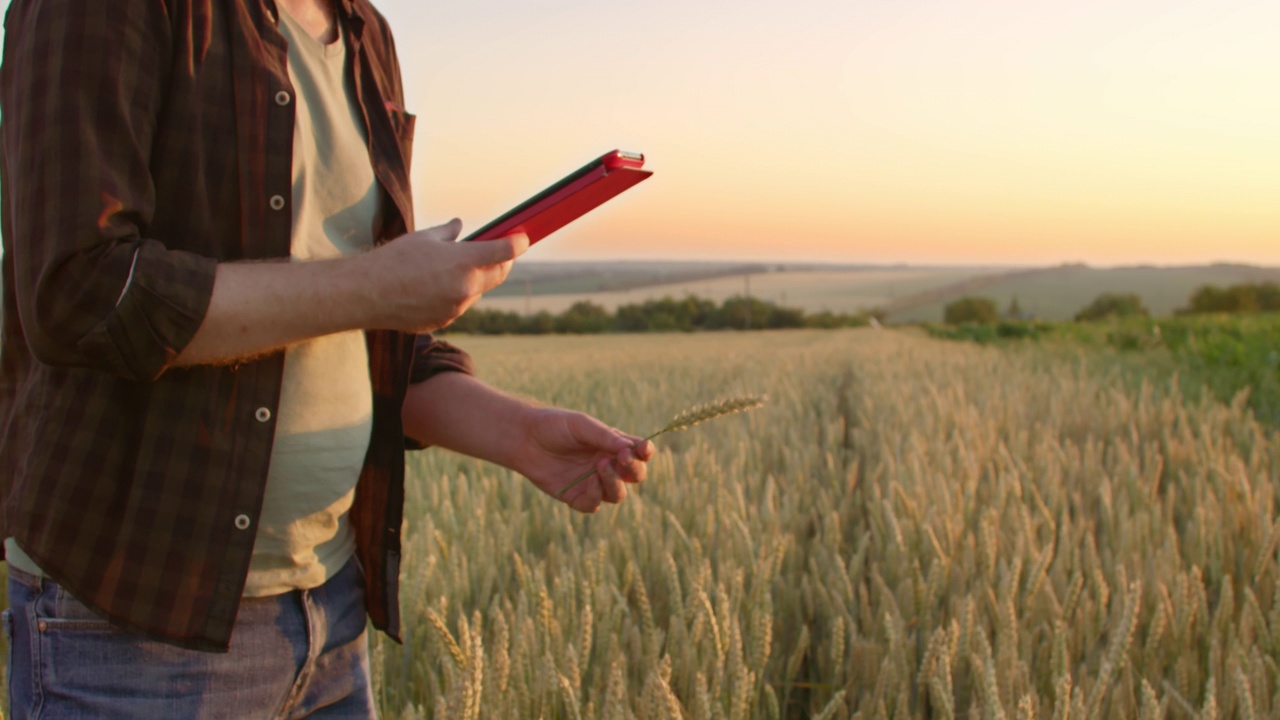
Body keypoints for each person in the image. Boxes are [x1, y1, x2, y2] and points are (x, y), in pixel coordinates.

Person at [0, 0, 653, 716]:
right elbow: (81, 295)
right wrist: (373, 286)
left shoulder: (367, 33)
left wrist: (520, 435)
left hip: (331, 608)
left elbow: (367, 329)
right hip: (137, 626)